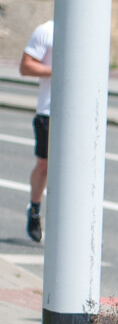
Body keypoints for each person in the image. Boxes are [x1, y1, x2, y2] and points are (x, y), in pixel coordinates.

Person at [19, 19, 53, 242]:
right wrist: (57, 70)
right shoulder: (46, 30)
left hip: (81, 117)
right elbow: (25, 66)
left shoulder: (92, 29)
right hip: (48, 112)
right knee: (44, 166)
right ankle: (35, 209)